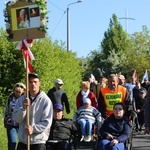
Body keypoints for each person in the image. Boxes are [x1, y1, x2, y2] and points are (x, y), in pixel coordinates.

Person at [13, 73, 53, 150]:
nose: (33, 84)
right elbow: (17, 119)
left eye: (35, 82)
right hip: (23, 141)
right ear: (27, 84)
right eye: (30, 82)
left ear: (39, 83)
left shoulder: (46, 101)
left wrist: (33, 129)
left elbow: (47, 122)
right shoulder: (21, 100)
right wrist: (23, 108)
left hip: (38, 142)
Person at [4, 83, 26, 150]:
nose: (18, 93)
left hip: (21, 124)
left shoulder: (24, 99)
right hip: (11, 123)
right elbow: (7, 110)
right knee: (12, 141)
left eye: (19, 92)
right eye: (16, 91)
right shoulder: (10, 98)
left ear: (23, 91)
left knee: (22, 143)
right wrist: (5, 121)